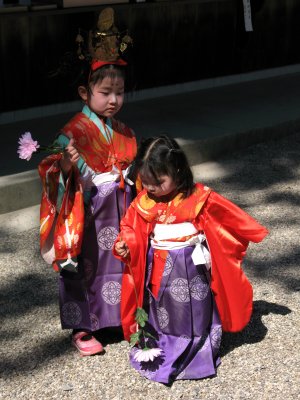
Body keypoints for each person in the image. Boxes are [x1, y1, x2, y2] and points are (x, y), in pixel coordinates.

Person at [114, 135, 268, 383]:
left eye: (158, 181)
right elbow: (130, 228)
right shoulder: (143, 203)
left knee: (195, 307)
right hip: (159, 265)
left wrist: (251, 230)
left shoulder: (197, 197)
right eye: (147, 181)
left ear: (177, 170)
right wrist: (124, 243)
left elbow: (226, 215)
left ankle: (200, 346)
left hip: (191, 264)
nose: (151, 188)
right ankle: (165, 343)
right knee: (161, 309)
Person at [38, 7, 137, 356]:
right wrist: (65, 167)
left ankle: (118, 317)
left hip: (119, 210)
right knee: (84, 265)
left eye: (120, 92)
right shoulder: (73, 132)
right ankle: (83, 326)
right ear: (85, 92)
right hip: (87, 212)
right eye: (105, 92)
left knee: (119, 261)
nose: (113, 100)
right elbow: (51, 173)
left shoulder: (125, 131)